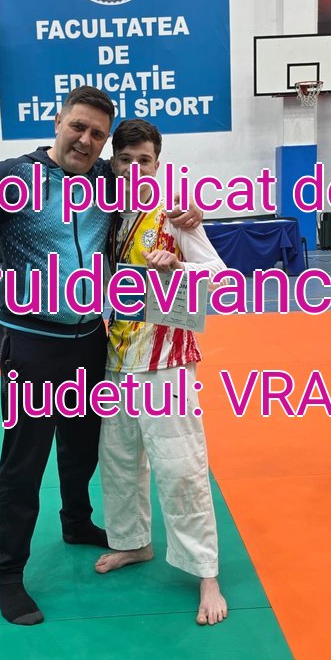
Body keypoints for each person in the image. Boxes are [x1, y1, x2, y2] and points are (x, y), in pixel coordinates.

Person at [0, 86, 200, 626]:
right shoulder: (13, 177)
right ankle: (9, 574)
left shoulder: (107, 181)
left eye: (97, 133)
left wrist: (189, 211)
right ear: (57, 122)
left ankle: (76, 520)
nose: (86, 139)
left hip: (90, 338)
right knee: (24, 460)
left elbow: (155, 192)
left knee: (82, 447)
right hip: (30, 341)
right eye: (78, 126)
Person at [94, 119, 229, 626]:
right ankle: (134, 542)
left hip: (166, 361)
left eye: (144, 160)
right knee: (119, 461)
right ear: (114, 162)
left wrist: (177, 270)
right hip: (116, 356)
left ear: (157, 163)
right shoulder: (106, 215)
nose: (134, 168)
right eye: (125, 159)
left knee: (180, 465)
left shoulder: (174, 213)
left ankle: (206, 572)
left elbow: (218, 277)